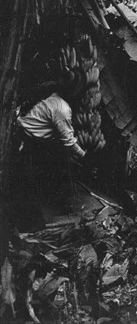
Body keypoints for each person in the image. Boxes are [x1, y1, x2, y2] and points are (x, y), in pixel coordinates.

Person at [10, 69, 89, 231]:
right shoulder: (62, 109)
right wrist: (85, 156)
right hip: (27, 143)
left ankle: (24, 223)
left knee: (25, 184)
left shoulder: (53, 98)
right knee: (26, 186)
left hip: (23, 137)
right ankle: (30, 228)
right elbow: (69, 142)